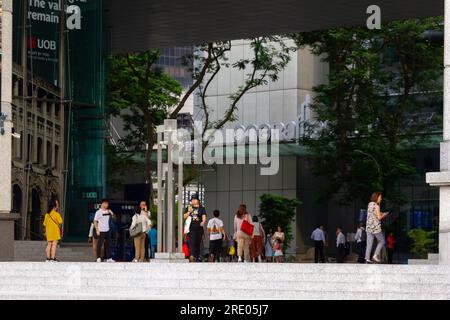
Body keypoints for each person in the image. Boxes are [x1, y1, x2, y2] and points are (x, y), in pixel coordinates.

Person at [365, 192, 388, 263]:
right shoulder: (377, 206)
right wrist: (384, 215)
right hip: (375, 228)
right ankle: (375, 255)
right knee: (382, 241)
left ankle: (367, 258)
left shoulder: (370, 204)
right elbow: (379, 217)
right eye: (380, 197)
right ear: (376, 197)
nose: (381, 199)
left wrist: (380, 213)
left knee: (369, 243)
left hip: (369, 227)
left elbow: (373, 213)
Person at [183, 194, 207, 262]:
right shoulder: (189, 207)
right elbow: (184, 217)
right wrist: (188, 212)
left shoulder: (202, 208)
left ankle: (196, 256)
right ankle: (192, 255)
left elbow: (204, 216)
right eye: (192, 200)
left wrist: (203, 222)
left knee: (197, 242)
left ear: (197, 200)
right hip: (191, 228)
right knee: (192, 242)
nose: (193, 201)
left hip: (199, 228)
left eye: (194, 199)